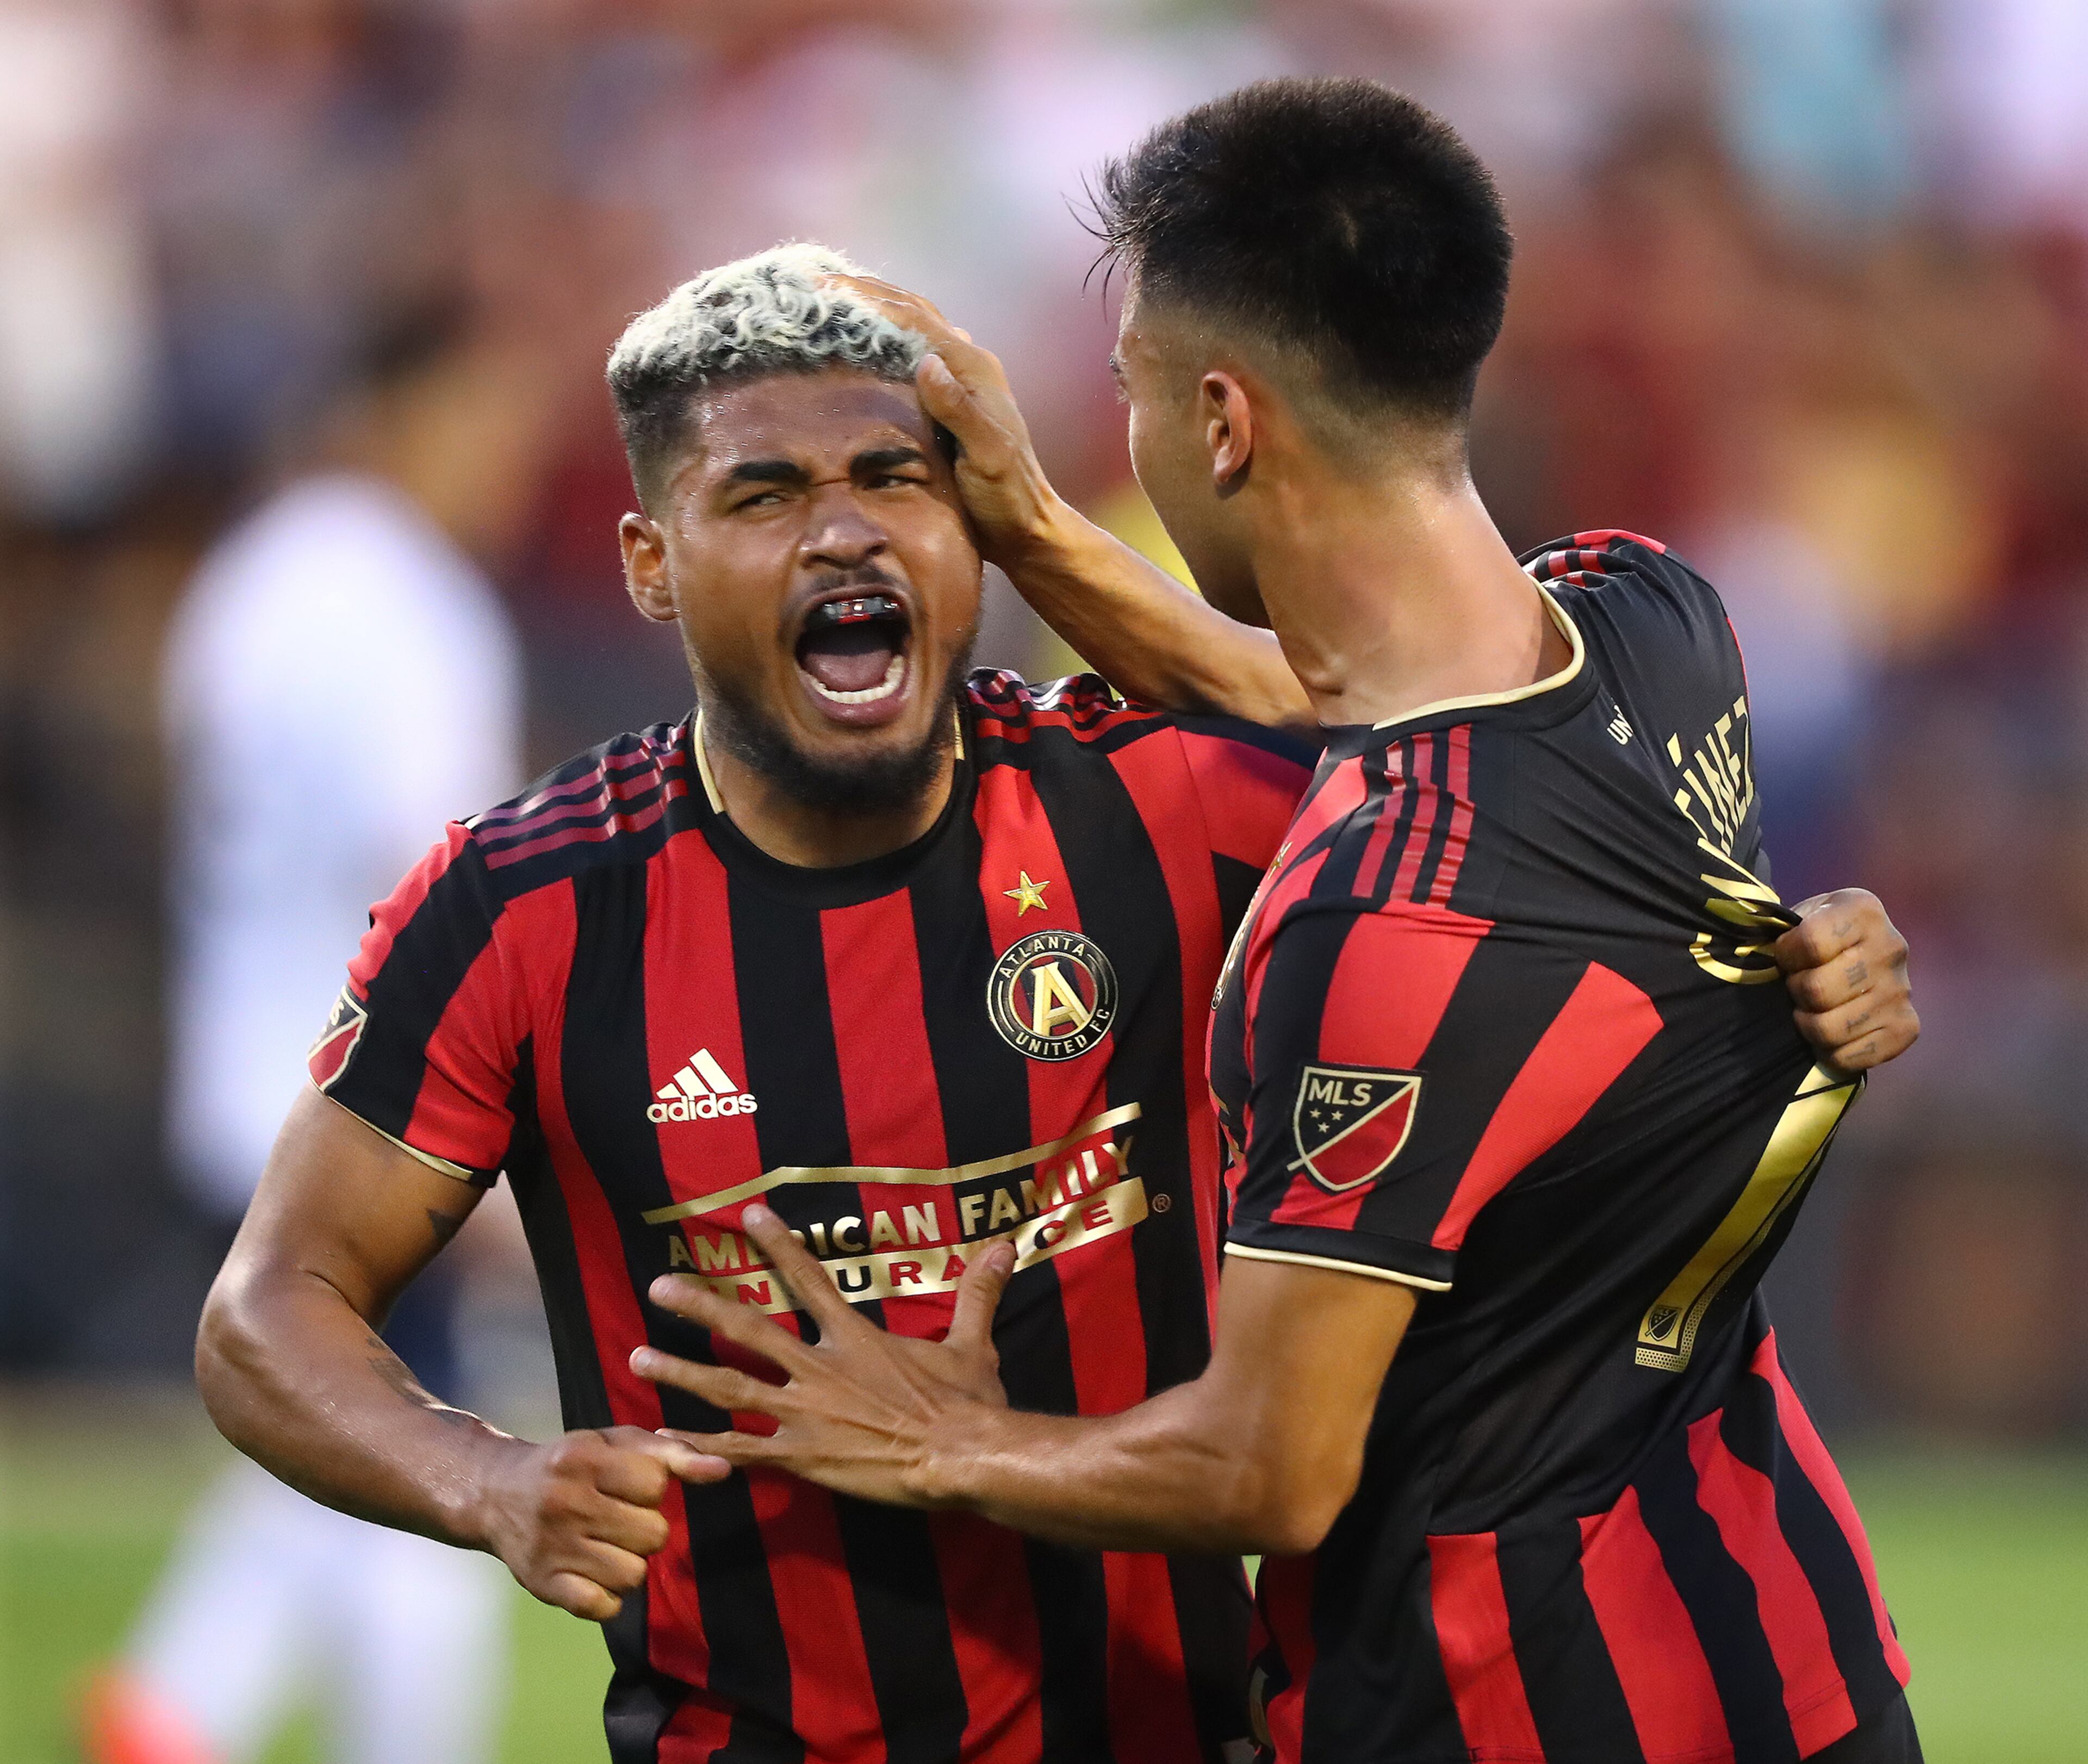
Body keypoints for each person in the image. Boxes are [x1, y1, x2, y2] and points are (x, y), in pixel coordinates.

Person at [192, 244, 1915, 1764]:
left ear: (980, 526)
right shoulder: (530, 903)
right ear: (651, 563)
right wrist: (487, 1484)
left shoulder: (1154, 803)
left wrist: (1772, 943)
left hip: (1190, 1728)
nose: (847, 528)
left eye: (895, 477)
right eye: (766, 495)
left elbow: (1487, 807)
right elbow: (270, 1312)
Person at [632, 85, 1925, 1764]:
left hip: (1500, 1717)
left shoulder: (1376, 924)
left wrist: (939, 1445)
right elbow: (1329, 703)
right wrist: (1032, 528)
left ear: (1223, 425)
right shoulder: (1653, 622)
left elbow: (1271, 1469)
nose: (1137, 437)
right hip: (1798, 1658)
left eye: (1136, 398)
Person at [89, 310, 530, 1764]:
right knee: (423, 1450)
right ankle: (199, 1708)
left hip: (246, 1066)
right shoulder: (401, 598)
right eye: (484, 414)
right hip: (374, 1110)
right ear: (404, 407)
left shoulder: (255, 575)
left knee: (328, 1440)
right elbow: (445, 888)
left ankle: (172, 1707)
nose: (506, 457)